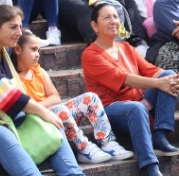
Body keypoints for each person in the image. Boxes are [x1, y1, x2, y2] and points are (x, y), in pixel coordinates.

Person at [0, 5, 113, 176]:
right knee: (3, 135)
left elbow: (14, 99)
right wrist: (42, 110)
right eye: (13, 27)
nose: (19, 33)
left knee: (50, 123)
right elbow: (7, 96)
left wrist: (44, 112)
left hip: (7, 114)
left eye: (20, 27)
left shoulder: (2, 53)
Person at [82, 1, 179, 176]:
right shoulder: (90, 55)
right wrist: (160, 83)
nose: (113, 21)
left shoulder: (126, 47)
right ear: (94, 26)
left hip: (137, 105)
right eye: (107, 17)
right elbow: (123, 79)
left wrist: (172, 78)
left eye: (116, 17)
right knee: (138, 105)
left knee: (167, 75)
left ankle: (160, 135)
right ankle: (151, 168)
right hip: (110, 112)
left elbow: (150, 70)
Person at [12, 30, 133, 163]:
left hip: (51, 114)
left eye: (39, 50)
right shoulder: (12, 77)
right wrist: (39, 110)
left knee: (90, 98)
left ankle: (108, 142)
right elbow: (22, 107)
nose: (37, 55)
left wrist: (39, 107)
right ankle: (83, 148)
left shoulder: (39, 71)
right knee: (60, 110)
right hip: (35, 121)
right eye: (33, 49)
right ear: (18, 50)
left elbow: (55, 97)